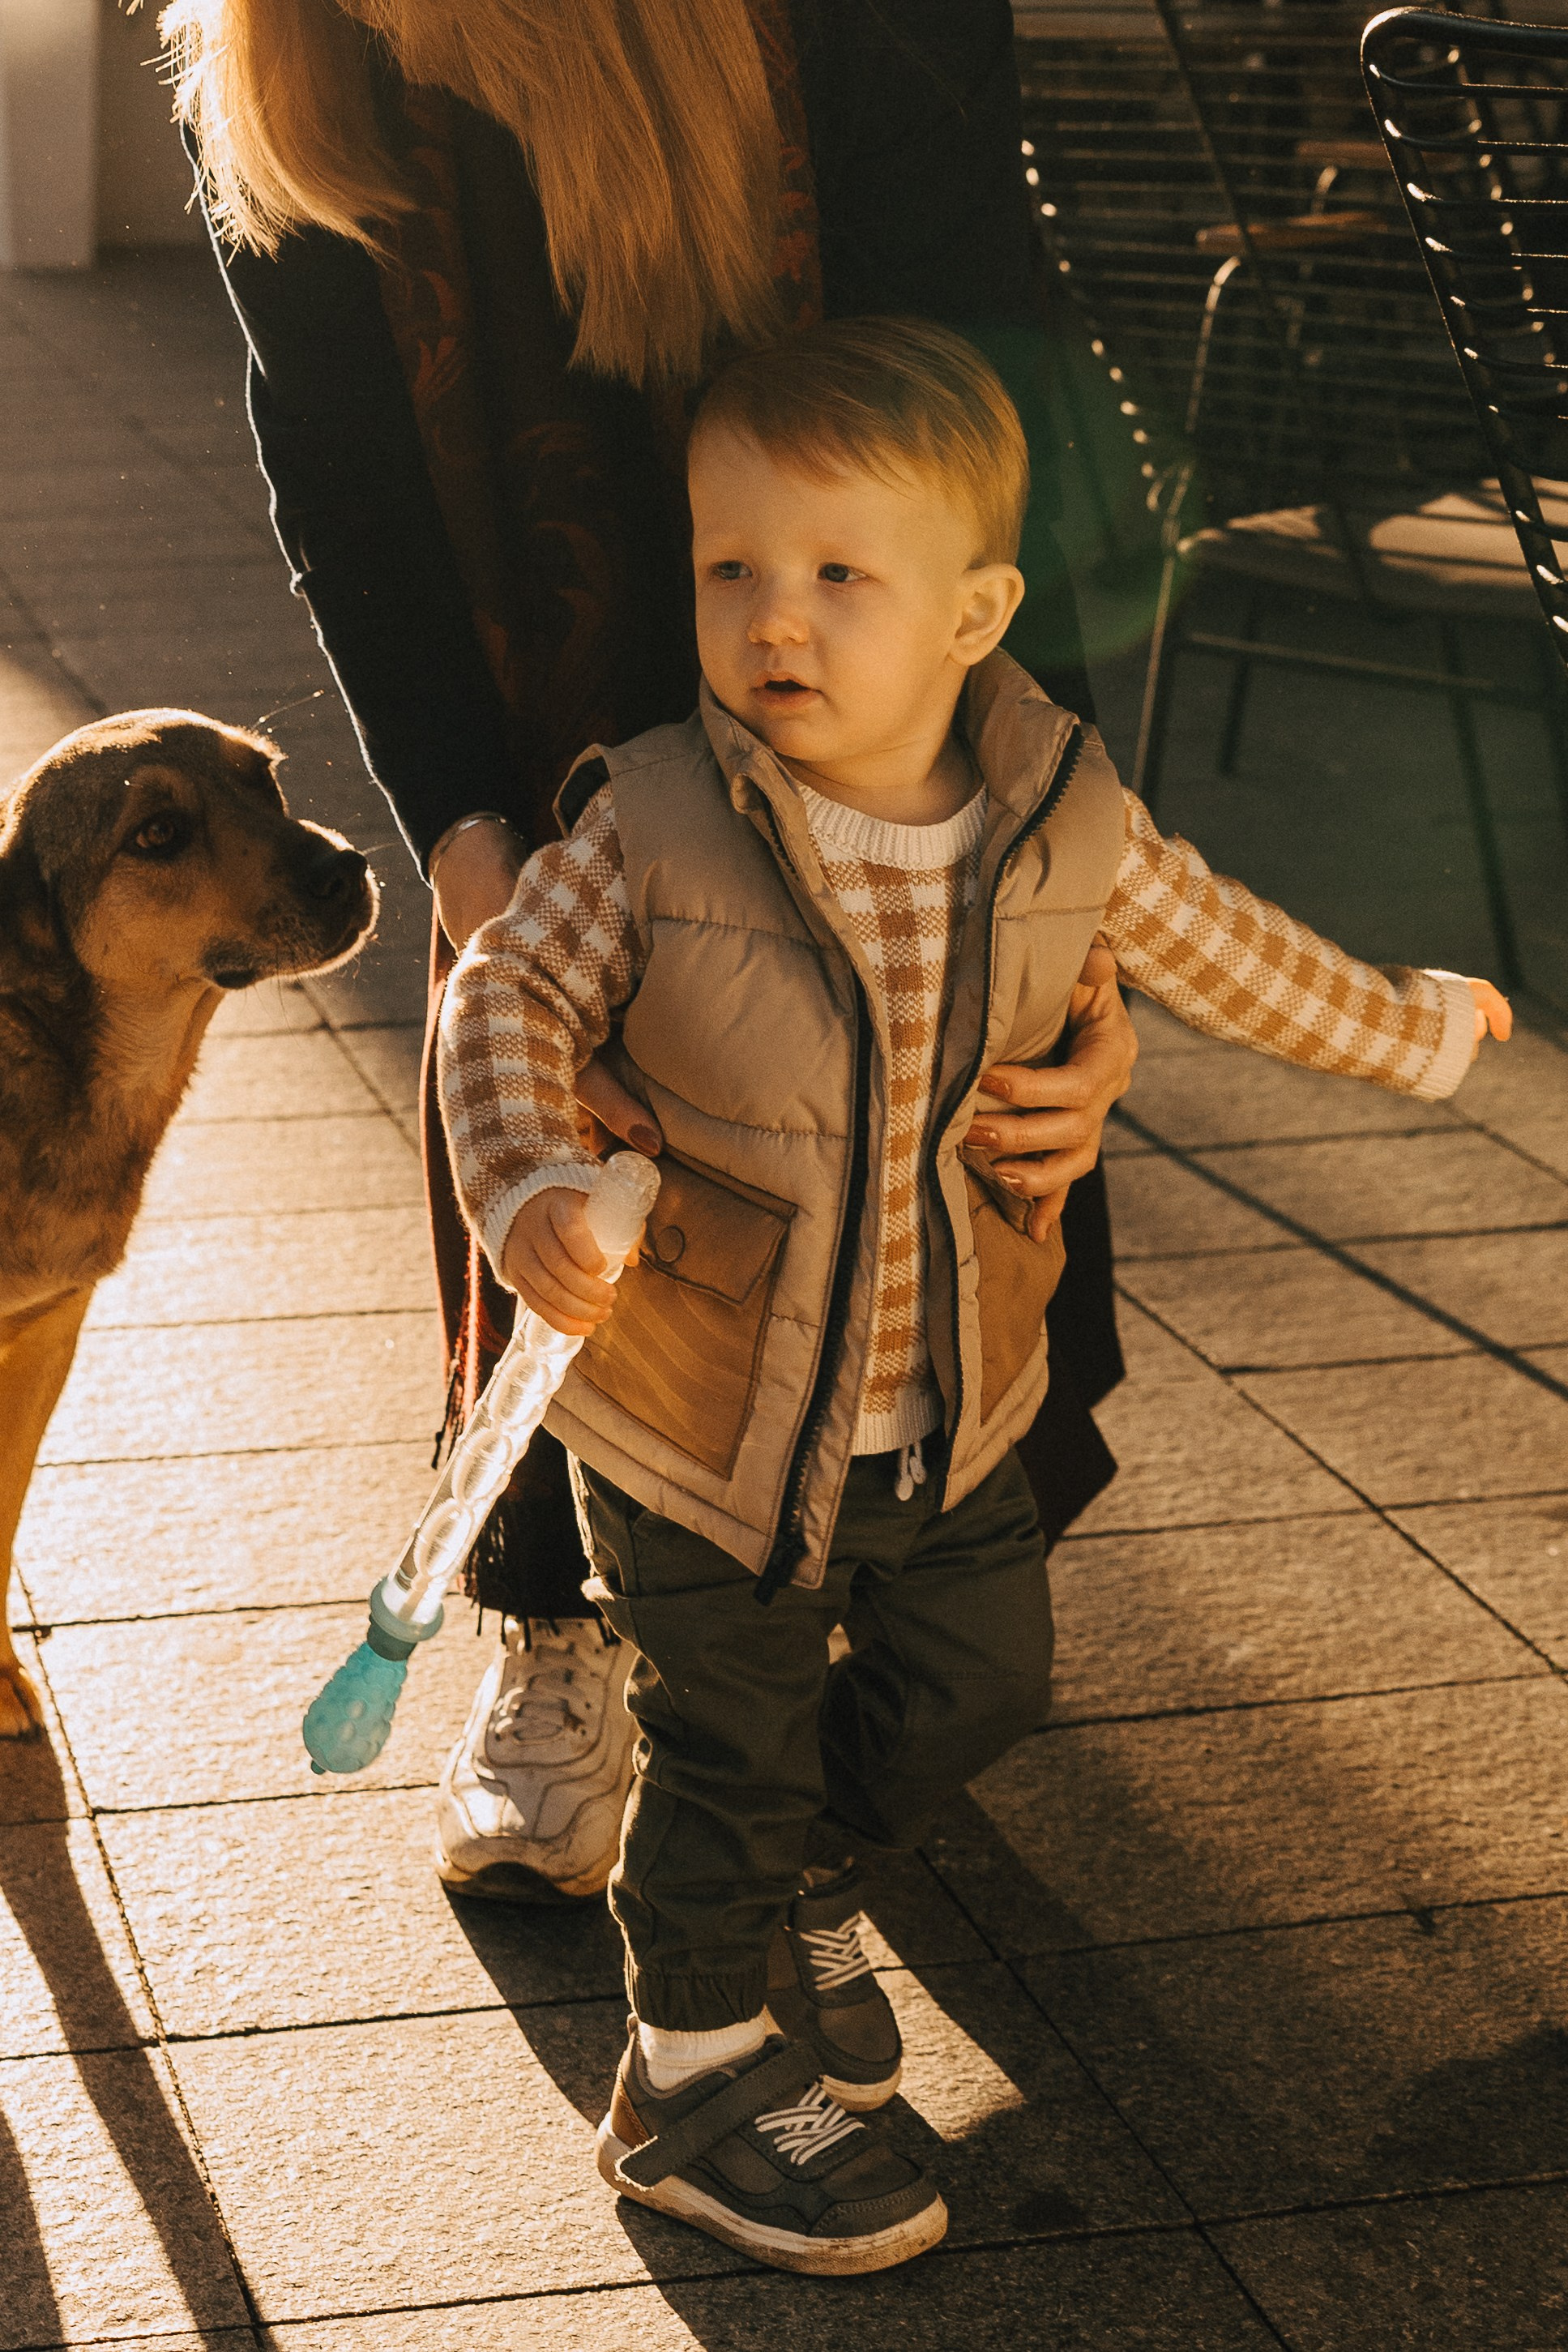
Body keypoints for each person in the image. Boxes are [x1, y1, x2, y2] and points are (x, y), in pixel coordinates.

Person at [437, 318, 1510, 2273]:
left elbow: (1225, 948)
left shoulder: (1061, 814)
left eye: (839, 573)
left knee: (982, 1678)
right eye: (731, 568)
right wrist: (524, 1187)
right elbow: (502, 994)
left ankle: (791, 1885)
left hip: (942, 1405)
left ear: (973, 613)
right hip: (698, 1413)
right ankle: (685, 2077)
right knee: (721, 1744)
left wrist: (1411, 1027)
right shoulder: (651, 818)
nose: (774, 617)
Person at [168, 0, 1142, 1901]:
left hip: (858, 652)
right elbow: (346, 486)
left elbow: (993, 427)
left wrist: (1069, 936)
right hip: (536, 682)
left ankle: (855, 1577)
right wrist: (476, 862)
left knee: (885, 1123)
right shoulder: (284, 44)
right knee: (565, 1164)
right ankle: (554, 1614)